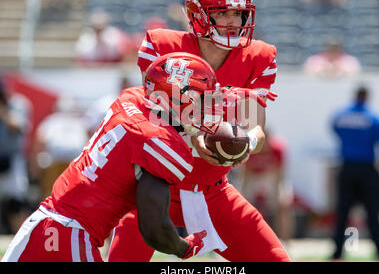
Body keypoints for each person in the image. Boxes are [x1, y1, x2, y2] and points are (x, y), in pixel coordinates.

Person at [108, 0, 290, 262]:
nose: (233, 21)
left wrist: (247, 142)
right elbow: (151, 115)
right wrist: (196, 134)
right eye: (222, 13)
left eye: (238, 13)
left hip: (213, 191)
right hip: (155, 188)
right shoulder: (163, 47)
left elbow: (255, 122)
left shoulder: (259, 57)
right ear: (199, 14)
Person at [1, 52, 228, 262]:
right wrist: (184, 247)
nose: (205, 107)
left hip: (42, 222)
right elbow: (154, 229)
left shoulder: (131, 100)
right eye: (200, 98)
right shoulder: (159, 143)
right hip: (72, 233)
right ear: (176, 97)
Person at [330, 86, 379, 260]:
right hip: (367, 169)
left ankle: (337, 252)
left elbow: (335, 131)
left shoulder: (340, 116)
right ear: (367, 97)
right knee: (373, 212)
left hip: (347, 167)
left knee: (342, 213)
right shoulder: (374, 118)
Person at [240, 130, 294, 242]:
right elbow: (246, 172)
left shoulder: (277, 148)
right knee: (242, 206)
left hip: (272, 177)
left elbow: (280, 173)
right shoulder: (251, 148)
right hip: (254, 178)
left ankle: (286, 241)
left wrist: (278, 193)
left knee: (284, 204)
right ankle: (246, 240)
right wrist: (243, 194)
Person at [30, 97, 89, 200]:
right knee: (72, 197)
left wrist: (34, 167)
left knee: (50, 196)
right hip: (74, 166)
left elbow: (40, 141)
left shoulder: (50, 121)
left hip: (54, 164)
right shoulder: (79, 122)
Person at [0, 78, 31, 234]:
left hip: (12, 159)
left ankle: (21, 237)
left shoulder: (18, 104)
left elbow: (17, 125)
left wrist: (2, 111)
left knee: (16, 202)